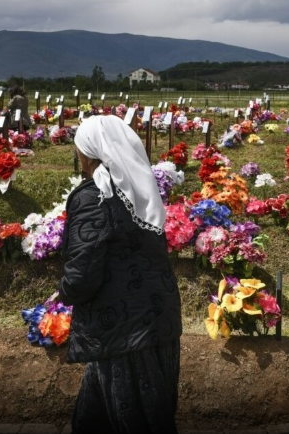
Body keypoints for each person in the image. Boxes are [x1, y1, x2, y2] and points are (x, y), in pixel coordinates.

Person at [58, 114, 182, 434]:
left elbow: (82, 274)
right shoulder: (139, 186)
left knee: (137, 422)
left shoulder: (94, 196)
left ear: (89, 153)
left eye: (79, 149)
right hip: (158, 318)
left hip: (123, 331)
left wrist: (65, 291)